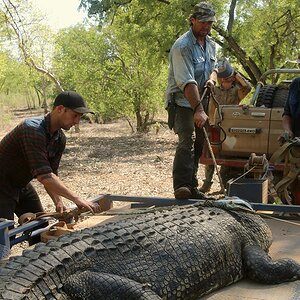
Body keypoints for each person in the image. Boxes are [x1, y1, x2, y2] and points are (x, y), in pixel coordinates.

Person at [0, 91, 100, 224]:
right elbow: (44, 177)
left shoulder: (59, 138)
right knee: (4, 237)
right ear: (60, 109)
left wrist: (58, 202)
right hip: (2, 184)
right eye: (75, 115)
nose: (77, 122)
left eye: (80, 117)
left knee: (39, 226)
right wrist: (77, 199)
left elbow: (52, 174)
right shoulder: (32, 129)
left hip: (20, 183)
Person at [165, 2, 218, 199]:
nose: (206, 26)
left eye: (210, 23)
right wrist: (198, 109)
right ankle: (181, 187)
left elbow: (215, 67)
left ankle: (192, 187)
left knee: (199, 143)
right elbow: (187, 82)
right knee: (188, 140)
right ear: (192, 20)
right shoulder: (182, 46)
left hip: (200, 102)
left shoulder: (211, 44)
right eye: (203, 22)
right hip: (182, 103)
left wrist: (212, 79)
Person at [200, 58, 252, 193]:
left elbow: (247, 87)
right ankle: (207, 183)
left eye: (228, 80)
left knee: (227, 156)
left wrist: (235, 74)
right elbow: (207, 84)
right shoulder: (214, 90)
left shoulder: (236, 92)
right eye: (223, 80)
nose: (225, 82)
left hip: (229, 127)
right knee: (211, 155)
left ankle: (224, 185)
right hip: (213, 125)